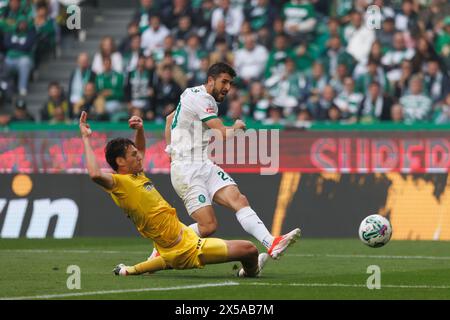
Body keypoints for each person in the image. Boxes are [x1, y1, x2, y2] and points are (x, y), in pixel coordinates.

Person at [79, 111, 268, 277]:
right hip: (184, 248)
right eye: (134, 155)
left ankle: (135, 268)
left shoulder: (136, 175)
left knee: (223, 238)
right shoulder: (119, 184)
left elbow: (142, 149)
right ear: (120, 161)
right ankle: (250, 272)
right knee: (249, 250)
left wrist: (140, 130)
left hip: (183, 236)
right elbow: (95, 174)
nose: (139, 156)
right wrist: (86, 138)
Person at [165, 62, 301, 260]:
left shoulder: (189, 93)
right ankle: (163, 246)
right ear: (211, 80)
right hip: (186, 169)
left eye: (230, 83)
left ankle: (271, 243)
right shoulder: (205, 100)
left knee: (239, 199)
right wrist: (236, 126)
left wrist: (169, 149)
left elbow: (170, 119)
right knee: (208, 226)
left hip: (202, 162)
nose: (227, 88)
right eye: (224, 82)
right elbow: (221, 133)